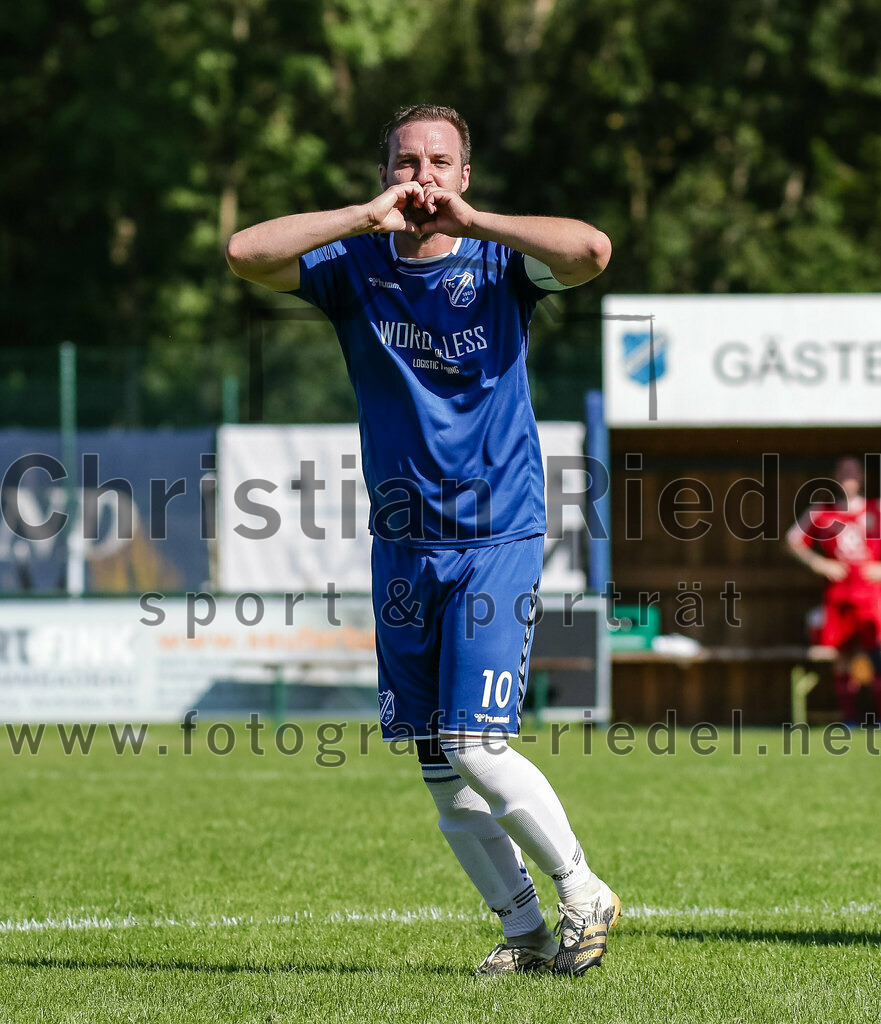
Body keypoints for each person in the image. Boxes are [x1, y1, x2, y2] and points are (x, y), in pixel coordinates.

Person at [226, 104, 617, 975]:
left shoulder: (502, 263)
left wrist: (476, 222)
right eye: (407, 162)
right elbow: (245, 254)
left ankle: (583, 890)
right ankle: (524, 932)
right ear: (384, 173)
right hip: (402, 542)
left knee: (479, 744)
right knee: (440, 768)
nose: (424, 177)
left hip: (495, 533)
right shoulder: (353, 264)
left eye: (440, 162)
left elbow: (591, 252)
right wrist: (364, 217)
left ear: (465, 175)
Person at [786, 456, 881, 724]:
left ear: (860, 480)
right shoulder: (823, 512)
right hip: (839, 595)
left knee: (877, 654)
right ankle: (849, 718)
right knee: (841, 656)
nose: (848, 483)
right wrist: (819, 563)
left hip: (872, 596)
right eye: (843, 478)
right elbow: (792, 541)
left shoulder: (875, 510)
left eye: (852, 478)